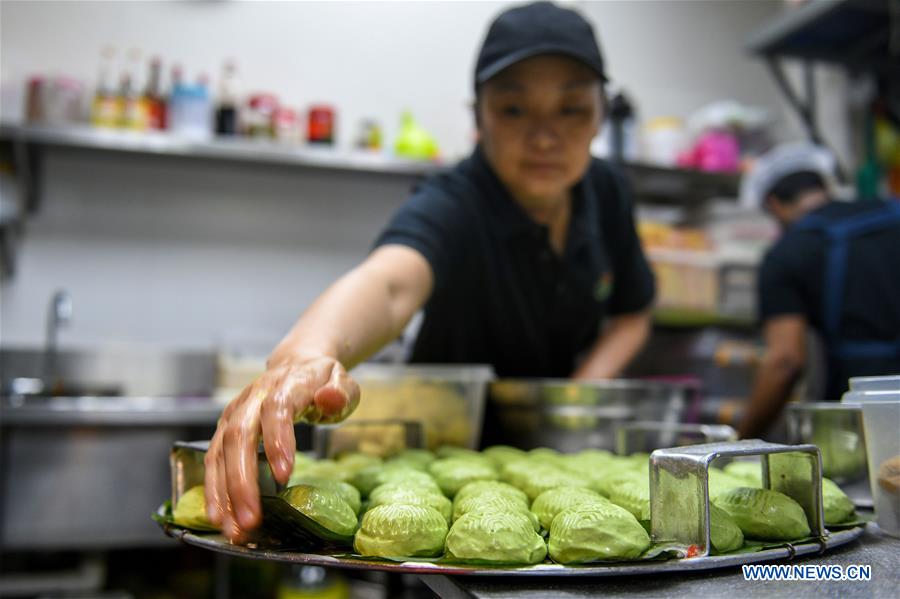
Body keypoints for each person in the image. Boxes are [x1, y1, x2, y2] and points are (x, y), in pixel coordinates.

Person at [205, 1, 655, 542]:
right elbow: (391, 284)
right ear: (478, 117)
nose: (543, 136)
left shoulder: (607, 193)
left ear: (600, 116)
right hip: (441, 460)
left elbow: (633, 311)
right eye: (514, 109)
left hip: (561, 457)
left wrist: (574, 398)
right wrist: (308, 354)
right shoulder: (456, 200)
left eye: (571, 109)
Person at [737, 142, 900, 439]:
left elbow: (785, 361)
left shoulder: (786, 254)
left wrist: (741, 441)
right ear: (823, 184)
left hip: (867, 418)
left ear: (773, 204)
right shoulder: (892, 212)